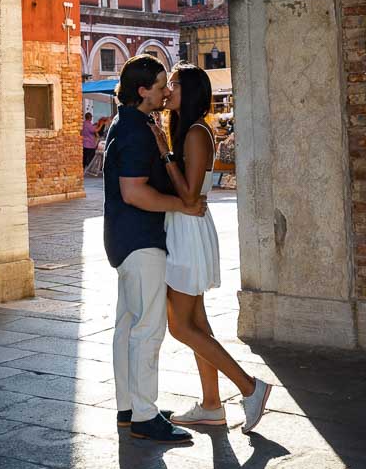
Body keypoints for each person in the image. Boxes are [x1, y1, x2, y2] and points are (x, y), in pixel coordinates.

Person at [148, 63, 271, 434]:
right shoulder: (188, 131)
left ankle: (251, 387)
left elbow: (188, 194)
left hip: (188, 232)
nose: (167, 90)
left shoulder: (197, 134)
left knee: (181, 327)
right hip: (184, 228)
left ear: (191, 91)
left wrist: (164, 152)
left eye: (173, 84)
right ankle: (211, 405)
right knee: (198, 323)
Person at [104, 54, 207, 445]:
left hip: (127, 238)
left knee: (128, 325)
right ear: (142, 91)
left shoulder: (131, 122)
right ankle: (145, 415)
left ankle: (130, 406)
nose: (167, 91)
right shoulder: (133, 129)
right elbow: (134, 191)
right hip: (140, 240)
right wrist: (182, 205)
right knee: (147, 328)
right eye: (162, 85)